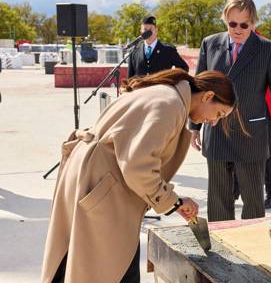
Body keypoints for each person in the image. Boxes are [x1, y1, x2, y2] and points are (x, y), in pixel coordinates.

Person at [41, 69, 240, 283]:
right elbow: (139, 167)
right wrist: (174, 202)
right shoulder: (169, 104)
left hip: (92, 178)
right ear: (208, 96)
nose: (214, 122)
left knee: (77, 259)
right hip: (103, 188)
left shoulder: (165, 94)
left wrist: (174, 203)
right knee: (106, 267)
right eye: (218, 114)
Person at [189, 0, 271, 221]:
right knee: (218, 200)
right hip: (216, 132)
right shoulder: (210, 44)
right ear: (225, 21)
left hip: (251, 135)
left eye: (243, 25)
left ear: (253, 23)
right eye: (232, 24)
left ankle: (252, 247)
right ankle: (221, 248)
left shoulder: (267, 50)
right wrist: (194, 126)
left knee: (254, 202)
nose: (237, 30)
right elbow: (198, 89)